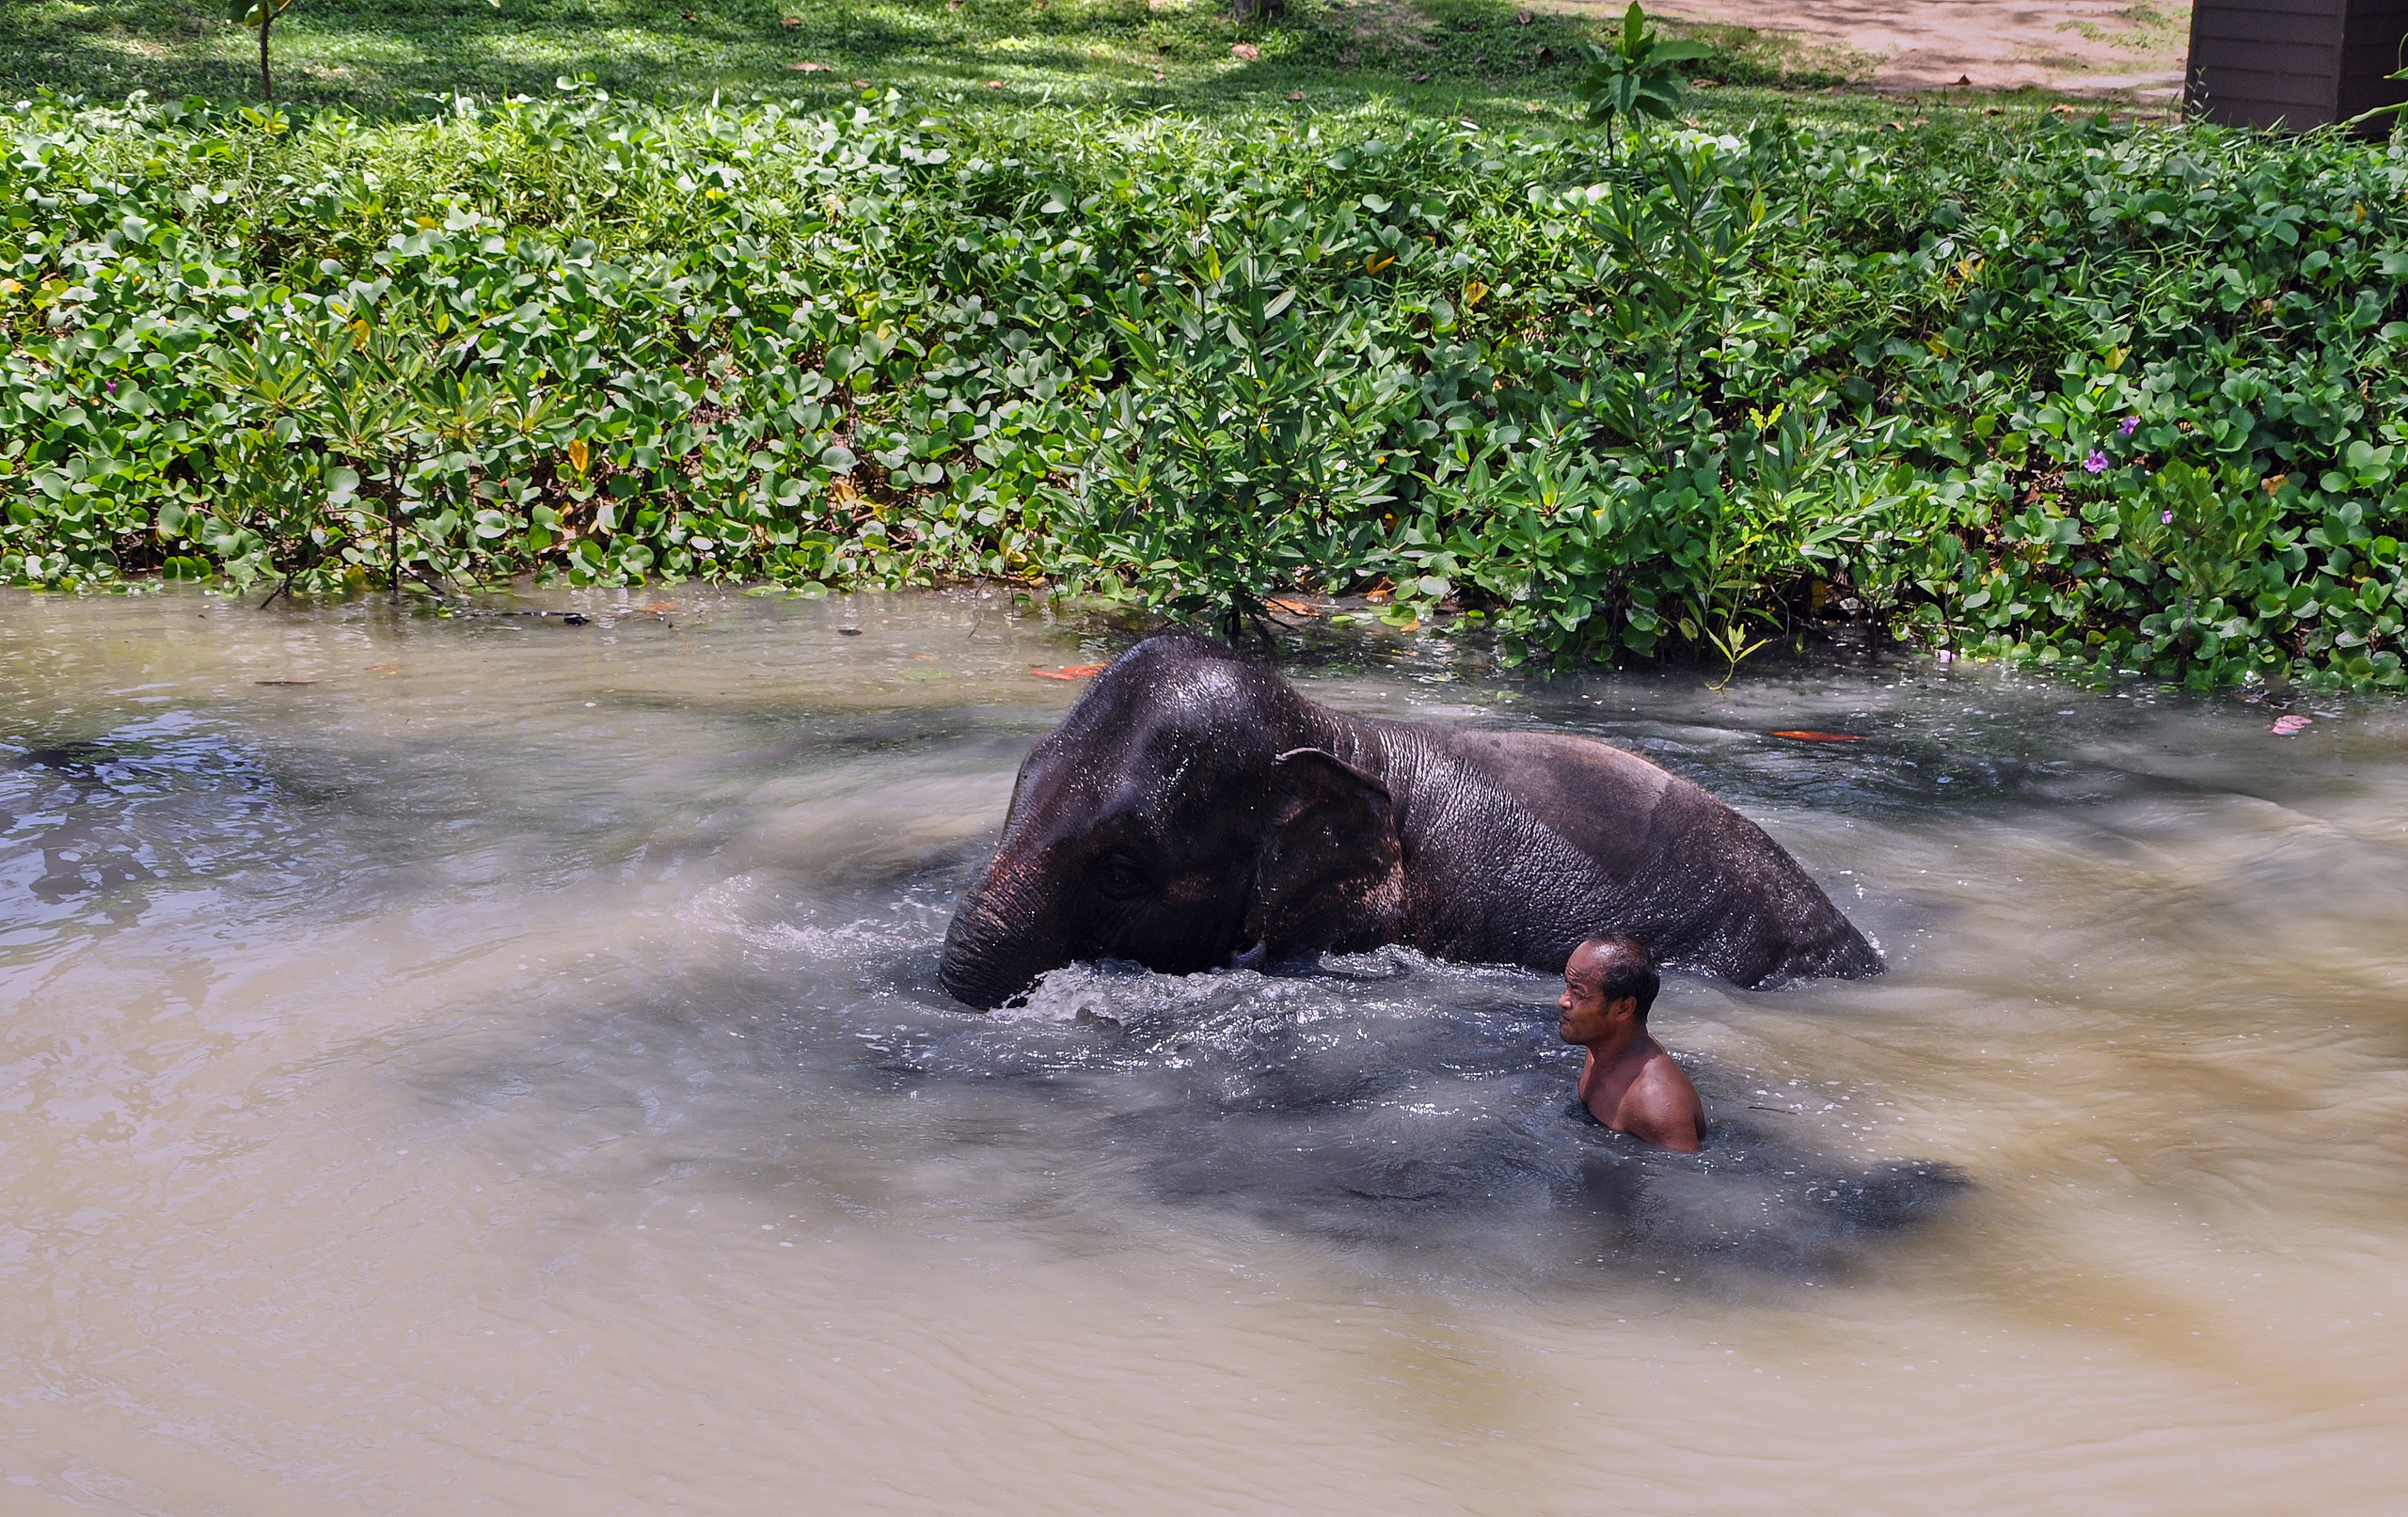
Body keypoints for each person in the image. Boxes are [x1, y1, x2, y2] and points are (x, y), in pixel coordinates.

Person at [1558, 935, 1707, 1152]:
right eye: (1567, 986)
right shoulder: (1598, 1048)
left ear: (1623, 1008)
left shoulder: (1657, 1104)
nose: (1563, 1000)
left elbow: (1686, 1179)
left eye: (1578, 993)